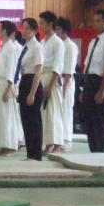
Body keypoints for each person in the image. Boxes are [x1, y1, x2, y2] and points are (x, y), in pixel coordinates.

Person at [81, 9, 104, 153]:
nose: (94, 24)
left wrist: (102, 90)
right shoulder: (93, 42)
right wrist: (84, 88)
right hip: (89, 81)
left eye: (98, 21)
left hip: (100, 81)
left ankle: (102, 153)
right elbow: (88, 66)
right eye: (94, 21)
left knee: (98, 119)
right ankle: (94, 152)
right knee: (89, 119)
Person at [0, 21, 20, 155]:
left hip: (6, 83)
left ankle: (10, 145)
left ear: (5, 31)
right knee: (0, 115)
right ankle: (2, 144)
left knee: (7, 115)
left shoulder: (11, 48)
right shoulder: (1, 48)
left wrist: (8, 89)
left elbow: (12, 70)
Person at [16, 18, 44, 161]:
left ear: (34, 30)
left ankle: (36, 154)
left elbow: (38, 70)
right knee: (26, 120)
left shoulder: (37, 47)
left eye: (27, 28)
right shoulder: (25, 47)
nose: (24, 30)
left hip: (33, 82)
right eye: (23, 27)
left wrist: (32, 93)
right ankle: (30, 153)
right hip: (24, 82)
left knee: (34, 121)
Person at [39, 11, 65, 154]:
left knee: (53, 111)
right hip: (42, 76)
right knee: (45, 113)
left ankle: (55, 143)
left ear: (50, 24)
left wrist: (49, 85)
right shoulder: (42, 43)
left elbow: (58, 65)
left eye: (42, 23)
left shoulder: (58, 42)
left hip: (52, 79)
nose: (40, 26)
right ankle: (48, 143)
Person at [56, 17, 79, 151]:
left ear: (64, 30)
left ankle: (66, 141)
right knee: (57, 113)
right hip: (57, 81)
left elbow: (69, 70)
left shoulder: (70, 46)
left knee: (65, 112)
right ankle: (57, 140)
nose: (56, 31)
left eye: (58, 29)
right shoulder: (59, 44)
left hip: (66, 81)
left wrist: (64, 89)